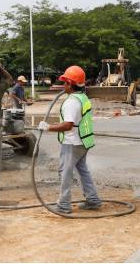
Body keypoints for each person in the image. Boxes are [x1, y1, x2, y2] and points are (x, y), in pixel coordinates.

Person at [38, 65, 101, 214]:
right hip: (83, 141)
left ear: (71, 84)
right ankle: (93, 200)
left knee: (65, 173)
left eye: (65, 82)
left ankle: (64, 205)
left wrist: (48, 127)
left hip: (72, 142)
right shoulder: (83, 97)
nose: (63, 86)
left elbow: (68, 125)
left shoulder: (71, 101)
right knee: (82, 171)